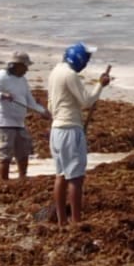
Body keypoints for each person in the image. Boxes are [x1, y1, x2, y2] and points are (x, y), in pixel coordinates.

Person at [46, 43, 111, 224]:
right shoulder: (70, 74)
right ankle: (76, 220)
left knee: (61, 175)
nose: (86, 64)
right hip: (69, 130)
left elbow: (51, 105)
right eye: (86, 60)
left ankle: (62, 221)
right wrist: (100, 85)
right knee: (75, 177)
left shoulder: (55, 72)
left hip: (57, 129)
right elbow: (86, 101)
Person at [0, 51, 48, 179]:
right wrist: (1, 95)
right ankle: (4, 181)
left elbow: (30, 101)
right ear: (15, 65)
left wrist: (42, 111)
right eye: (25, 66)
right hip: (3, 124)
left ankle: (22, 178)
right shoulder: (0, 77)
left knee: (23, 153)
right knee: (5, 156)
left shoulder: (22, 80)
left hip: (19, 123)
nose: (27, 69)